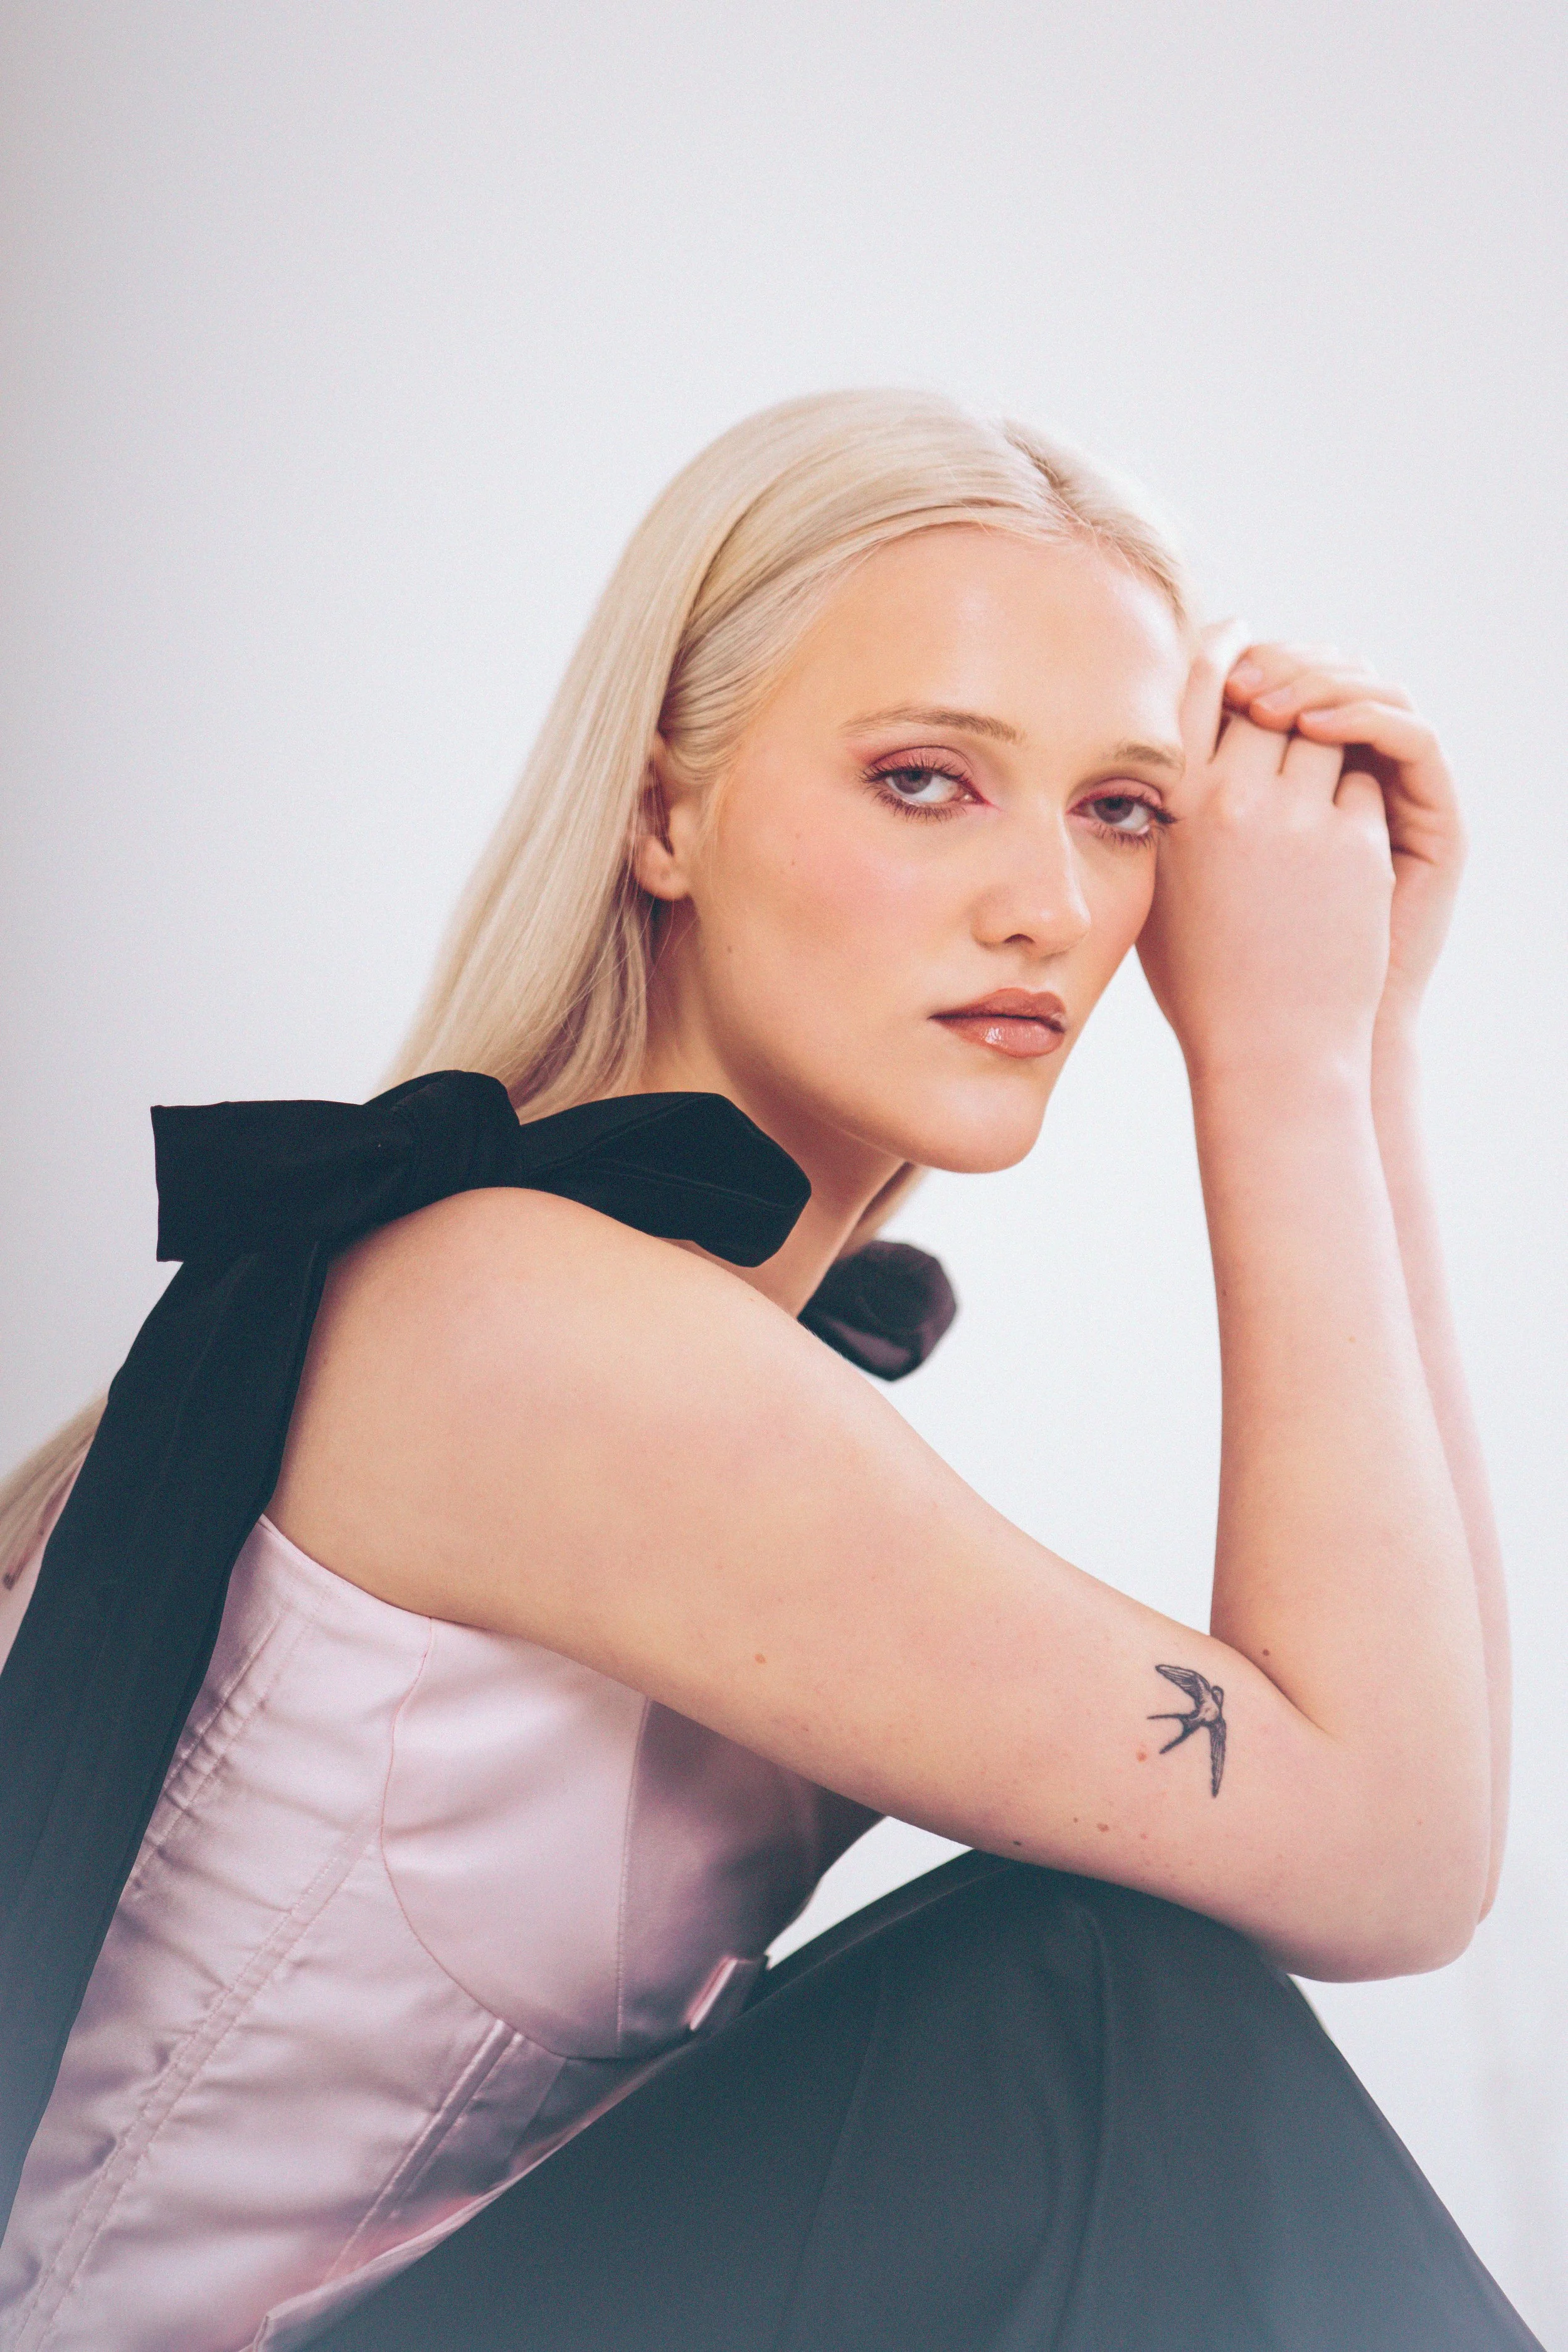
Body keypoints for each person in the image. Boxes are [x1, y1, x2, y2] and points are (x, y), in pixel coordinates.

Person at [0, 391, 1537, 2350]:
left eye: (1121, 809)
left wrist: (1366, 1039)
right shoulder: (532, 1326)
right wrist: (1280, 1068)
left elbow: (1427, 1808)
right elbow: (1383, 1852)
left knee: (1106, 1976)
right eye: (924, 779)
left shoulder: (652, 1340)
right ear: (665, 809)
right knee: (1085, 2000)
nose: (1050, 907)